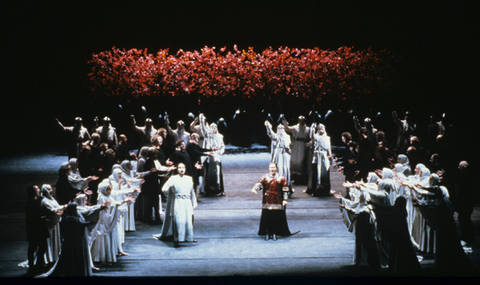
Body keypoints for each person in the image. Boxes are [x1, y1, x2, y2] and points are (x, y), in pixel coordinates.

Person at [90, 179, 134, 266]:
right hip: (103, 222)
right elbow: (108, 208)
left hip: (108, 222)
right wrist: (123, 201)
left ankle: (107, 257)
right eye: (108, 189)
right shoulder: (102, 197)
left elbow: (115, 203)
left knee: (108, 238)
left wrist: (124, 201)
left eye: (110, 189)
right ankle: (101, 258)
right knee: (103, 239)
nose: (110, 191)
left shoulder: (108, 196)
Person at [153, 163, 197, 248]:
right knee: (179, 219)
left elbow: (192, 191)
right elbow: (164, 189)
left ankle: (188, 237)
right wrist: (170, 194)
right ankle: (178, 238)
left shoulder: (189, 178)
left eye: (183, 167)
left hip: (187, 201)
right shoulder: (173, 178)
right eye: (180, 167)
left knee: (188, 219)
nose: (181, 169)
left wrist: (194, 201)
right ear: (177, 169)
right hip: (178, 201)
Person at [251, 162, 295, 241]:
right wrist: (255, 188)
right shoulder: (265, 177)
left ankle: (274, 232)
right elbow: (259, 183)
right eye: (271, 167)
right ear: (269, 168)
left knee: (275, 216)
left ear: (276, 168)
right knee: (267, 217)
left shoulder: (281, 178)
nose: (272, 169)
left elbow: (285, 189)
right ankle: (268, 232)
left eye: (273, 167)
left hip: (277, 200)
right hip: (267, 200)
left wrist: (285, 199)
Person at [25, 185, 49, 276]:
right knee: (33, 248)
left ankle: (39, 263)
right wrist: (41, 218)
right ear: (34, 192)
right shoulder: (31, 202)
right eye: (37, 189)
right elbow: (33, 216)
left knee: (42, 246)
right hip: (35, 229)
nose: (39, 190)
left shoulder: (37, 201)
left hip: (40, 228)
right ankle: (32, 265)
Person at [265, 120, 293, 196]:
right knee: (279, 169)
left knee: (286, 170)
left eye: (281, 129)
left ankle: (286, 189)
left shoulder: (287, 136)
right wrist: (268, 127)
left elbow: (289, 145)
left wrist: (289, 149)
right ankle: (278, 188)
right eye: (279, 129)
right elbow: (271, 134)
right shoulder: (276, 136)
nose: (280, 130)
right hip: (278, 154)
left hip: (285, 154)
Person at [200, 115, 226, 196]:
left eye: (215, 128)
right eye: (211, 127)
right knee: (207, 173)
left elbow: (222, 146)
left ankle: (219, 189)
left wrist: (219, 151)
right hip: (209, 156)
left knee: (217, 173)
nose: (213, 129)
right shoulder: (207, 136)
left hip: (216, 156)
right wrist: (201, 120)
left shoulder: (220, 136)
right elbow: (203, 129)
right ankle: (207, 190)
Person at [40, 184, 65, 266]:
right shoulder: (45, 201)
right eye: (49, 189)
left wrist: (61, 209)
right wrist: (63, 208)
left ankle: (54, 257)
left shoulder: (52, 199)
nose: (51, 191)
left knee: (55, 239)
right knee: (48, 241)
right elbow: (52, 210)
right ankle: (46, 259)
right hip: (49, 224)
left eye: (51, 189)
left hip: (55, 223)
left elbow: (57, 208)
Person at [305, 122, 333, 197]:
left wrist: (330, 157)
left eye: (322, 128)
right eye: (319, 129)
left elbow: (329, 148)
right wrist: (312, 128)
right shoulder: (316, 136)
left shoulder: (327, 138)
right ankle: (315, 189)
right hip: (317, 155)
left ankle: (326, 189)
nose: (321, 130)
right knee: (316, 172)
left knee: (325, 173)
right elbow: (311, 136)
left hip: (324, 156)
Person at [281, 115, 310, 185]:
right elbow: (287, 128)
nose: (301, 122)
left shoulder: (308, 129)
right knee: (294, 160)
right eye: (300, 120)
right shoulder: (295, 128)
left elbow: (311, 136)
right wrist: (285, 123)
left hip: (303, 145)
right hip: (296, 145)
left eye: (302, 120)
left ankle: (302, 177)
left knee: (301, 160)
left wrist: (309, 143)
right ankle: (294, 177)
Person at [452, 161, 476, 243]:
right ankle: (466, 235)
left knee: (464, 219)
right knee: (464, 219)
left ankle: (467, 236)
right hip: (465, 202)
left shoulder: (466, 177)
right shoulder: (465, 176)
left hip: (466, 202)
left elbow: (465, 192)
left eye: (460, 166)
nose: (458, 168)